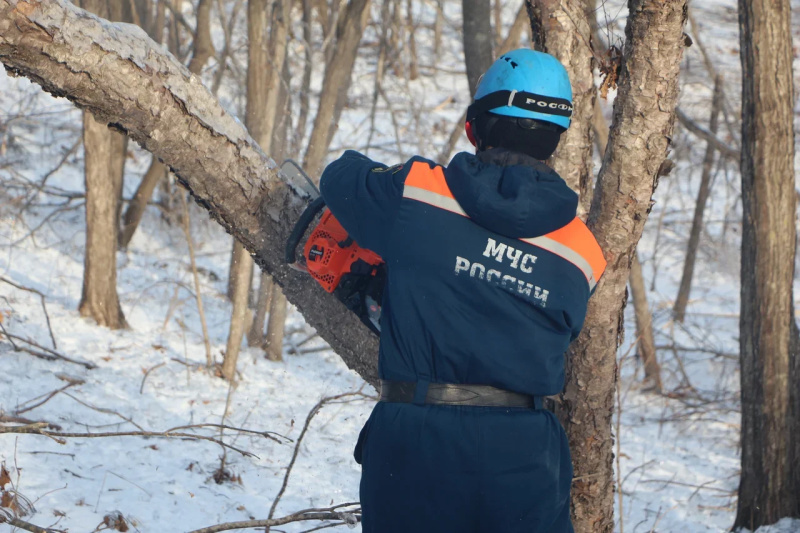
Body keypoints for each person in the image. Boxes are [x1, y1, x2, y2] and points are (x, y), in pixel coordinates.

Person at [318, 48, 606, 533]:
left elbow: (339, 177)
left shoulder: (418, 194)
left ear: (475, 128)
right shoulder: (584, 253)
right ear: (555, 138)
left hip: (416, 445)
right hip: (526, 458)